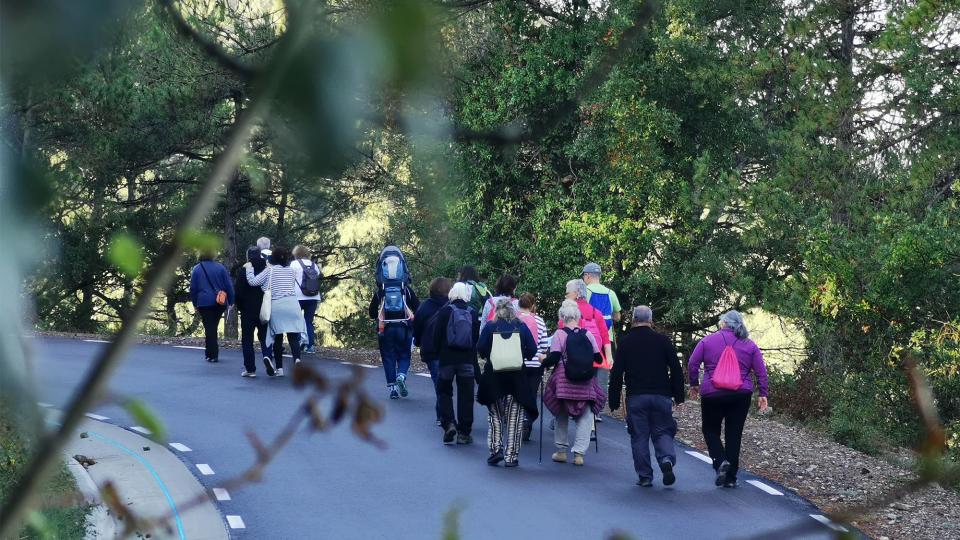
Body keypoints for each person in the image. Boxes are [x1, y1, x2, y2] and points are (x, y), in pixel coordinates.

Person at [688, 310, 769, 488]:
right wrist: (763, 394)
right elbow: (761, 372)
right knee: (734, 434)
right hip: (741, 395)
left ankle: (720, 462)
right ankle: (731, 477)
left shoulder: (707, 340)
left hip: (712, 394)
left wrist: (694, 384)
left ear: (723, 324)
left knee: (710, 430)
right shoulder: (749, 345)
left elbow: (693, 363)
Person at [608, 306, 684, 487]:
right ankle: (666, 458)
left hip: (637, 397)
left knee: (639, 436)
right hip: (661, 395)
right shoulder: (663, 340)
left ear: (634, 319)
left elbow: (617, 373)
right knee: (663, 430)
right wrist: (679, 395)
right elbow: (676, 368)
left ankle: (645, 476)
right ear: (651, 320)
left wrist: (613, 400)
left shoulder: (626, 342)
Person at [543, 300, 607, 466]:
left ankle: (561, 451)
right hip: (585, 381)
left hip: (564, 382)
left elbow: (554, 358)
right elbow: (599, 358)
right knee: (585, 415)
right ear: (578, 317)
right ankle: (579, 454)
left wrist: (543, 360)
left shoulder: (559, 334)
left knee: (561, 413)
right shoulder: (587, 334)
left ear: (562, 317)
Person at [476, 298, 539, 467]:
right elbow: (533, 350)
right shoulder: (521, 326)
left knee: (495, 414)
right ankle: (511, 455)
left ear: (497, 311)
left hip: (494, 377)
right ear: (513, 310)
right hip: (517, 378)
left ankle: (496, 449)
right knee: (515, 418)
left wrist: (491, 355)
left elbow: (480, 348)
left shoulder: (490, 327)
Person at [368, 245, 421, 399]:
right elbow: (418, 308)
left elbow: (372, 313)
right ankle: (402, 376)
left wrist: (377, 316)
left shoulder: (381, 291)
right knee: (404, 355)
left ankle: (392, 389)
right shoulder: (406, 290)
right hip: (404, 327)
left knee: (388, 357)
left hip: (386, 329)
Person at [245, 246, 307, 377]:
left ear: (273, 257)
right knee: (293, 336)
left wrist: (249, 268)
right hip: (292, 304)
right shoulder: (291, 271)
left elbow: (253, 282)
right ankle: (297, 359)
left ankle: (279, 368)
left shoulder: (270, 270)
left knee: (277, 337)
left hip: (277, 305)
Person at [431, 282, 481, 444]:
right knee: (466, 396)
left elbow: (436, 336)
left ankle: (449, 423)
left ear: (452, 293)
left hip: (447, 360)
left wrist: (439, 353)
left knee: (444, 391)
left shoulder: (445, 311)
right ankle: (464, 433)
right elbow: (475, 340)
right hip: (466, 361)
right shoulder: (472, 313)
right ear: (467, 295)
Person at [413, 277, 452, 426]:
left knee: (438, 382)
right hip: (448, 350)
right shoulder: (451, 306)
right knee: (444, 383)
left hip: (430, 350)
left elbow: (416, 327)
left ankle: (442, 415)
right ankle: (443, 415)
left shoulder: (424, 307)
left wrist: (418, 342)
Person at [233, 246, 273, 377]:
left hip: (247, 310)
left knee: (247, 339)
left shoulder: (244, 270)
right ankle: (267, 356)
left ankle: (250, 369)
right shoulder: (268, 268)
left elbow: (238, 291)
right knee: (265, 336)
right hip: (264, 308)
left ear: (248, 256)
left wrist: (240, 306)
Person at [582, 262, 621, 393]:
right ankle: (599, 407)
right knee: (602, 378)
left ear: (587, 276)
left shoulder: (585, 292)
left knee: (587, 375)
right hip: (606, 341)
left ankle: (587, 403)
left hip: (588, 339)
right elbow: (617, 316)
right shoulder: (611, 293)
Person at [189, 252, 235, 363]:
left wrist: (195, 303)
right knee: (212, 326)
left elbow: (193, 288)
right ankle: (210, 353)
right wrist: (231, 300)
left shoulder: (197, 269)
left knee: (209, 327)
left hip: (204, 302)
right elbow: (229, 285)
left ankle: (211, 354)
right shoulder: (220, 267)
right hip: (219, 302)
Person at [517, 292, 549, 441]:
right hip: (535, 364)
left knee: (517, 394)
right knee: (531, 394)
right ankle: (527, 421)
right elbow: (543, 346)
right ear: (533, 305)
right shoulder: (540, 321)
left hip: (518, 362)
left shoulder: (515, 320)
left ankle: (516, 422)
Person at [292, 245, 322, 354]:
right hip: (313, 296)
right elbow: (318, 275)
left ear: (296, 253)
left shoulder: (294, 264)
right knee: (309, 321)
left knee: (296, 320)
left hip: (298, 297)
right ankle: (311, 346)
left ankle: (299, 342)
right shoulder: (314, 265)